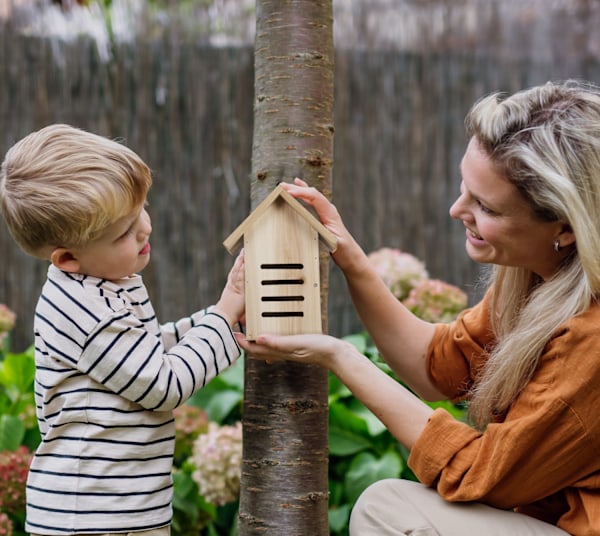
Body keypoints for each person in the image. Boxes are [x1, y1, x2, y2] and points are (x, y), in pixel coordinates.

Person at [237, 80, 600, 535]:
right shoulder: (536, 278)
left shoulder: (590, 339)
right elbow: (438, 368)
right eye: (464, 187)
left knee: (388, 509)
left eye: (485, 206)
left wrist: (342, 356)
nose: (456, 209)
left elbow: (480, 474)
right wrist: (352, 260)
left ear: (565, 229)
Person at [0, 124, 245, 536]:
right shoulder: (84, 309)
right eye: (124, 233)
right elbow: (161, 383)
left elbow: (143, 352)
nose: (144, 229)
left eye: (141, 210)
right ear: (67, 258)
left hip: (121, 509)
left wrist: (221, 322)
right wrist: (223, 314)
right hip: (94, 517)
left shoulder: (105, 281)